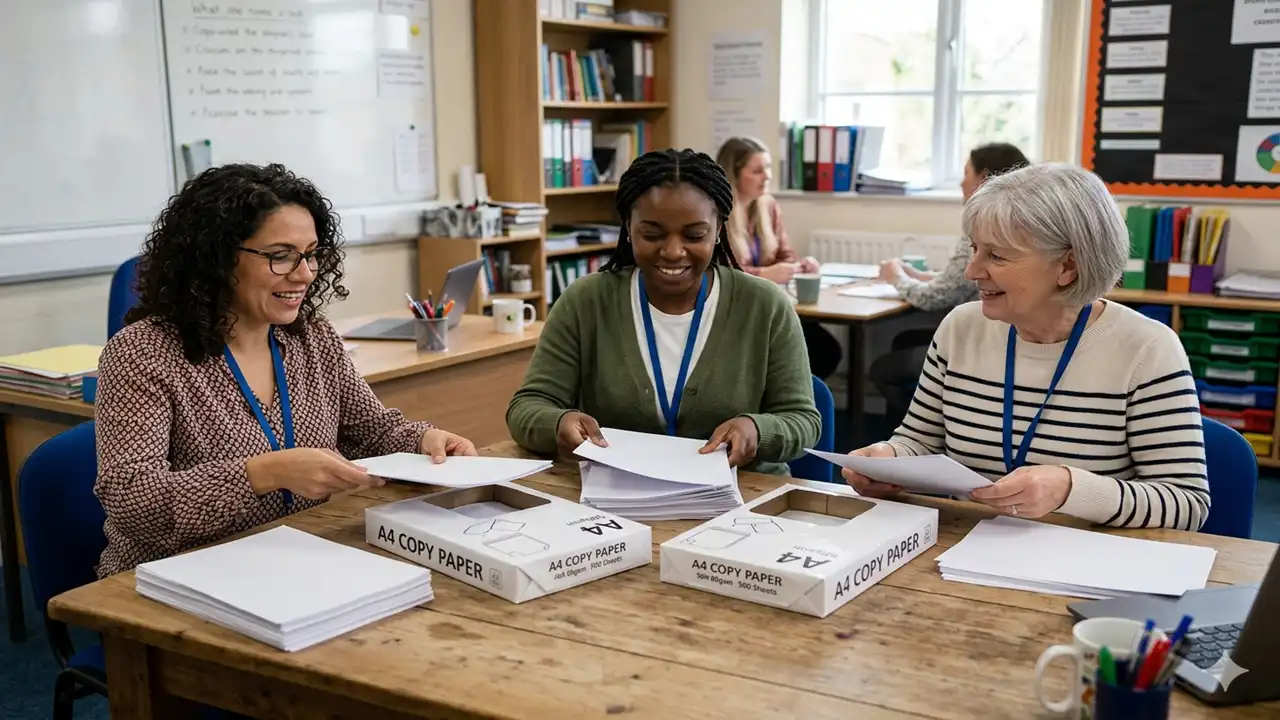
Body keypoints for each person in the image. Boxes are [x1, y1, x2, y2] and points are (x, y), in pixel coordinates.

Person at [94, 163, 478, 577]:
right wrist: (266, 473)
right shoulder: (141, 354)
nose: (305, 274)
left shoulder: (311, 337)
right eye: (281, 257)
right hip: (177, 578)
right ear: (216, 259)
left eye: (311, 255)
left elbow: (370, 431)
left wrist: (424, 439)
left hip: (296, 559)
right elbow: (133, 501)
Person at [843, 163, 1210, 531]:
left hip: (1086, 563)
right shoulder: (961, 328)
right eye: (974, 249)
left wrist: (1070, 489)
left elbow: (1186, 503)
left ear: (1068, 266)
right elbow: (919, 440)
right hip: (961, 549)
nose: (972, 271)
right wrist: (888, 459)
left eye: (997, 255)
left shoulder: (1147, 349)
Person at [506, 148, 821, 475]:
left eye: (694, 235)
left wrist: (758, 429)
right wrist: (557, 422)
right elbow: (527, 407)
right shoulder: (585, 301)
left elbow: (802, 420)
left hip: (740, 498)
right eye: (652, 234)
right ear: (628, 226)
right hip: (618, 499)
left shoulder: (766, 306)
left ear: (718, 230)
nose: (672, 251)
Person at [869, 143, 1030, 430]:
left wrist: (896, 276)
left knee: (883, 369)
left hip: (990, 339)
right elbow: (957, 283)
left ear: (985, 178)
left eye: (966, 171)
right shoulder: (1016, 222)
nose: (960, 181)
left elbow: (939, 297)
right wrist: (916, 277)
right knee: (903, 341)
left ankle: (919, 435)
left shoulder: (985, 223)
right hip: (997, 333)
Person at [715, 136, 843, 379]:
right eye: (757, 170)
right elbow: (719, 271)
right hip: (738, 310)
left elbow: (784, 254)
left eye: (768, 168)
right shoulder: (716, 213)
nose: (767, 177)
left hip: (770, 303)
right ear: (734, 174)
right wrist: (763, 274)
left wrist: (800, 265)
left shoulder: (768, 206)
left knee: (825, 349)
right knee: (817, 350)